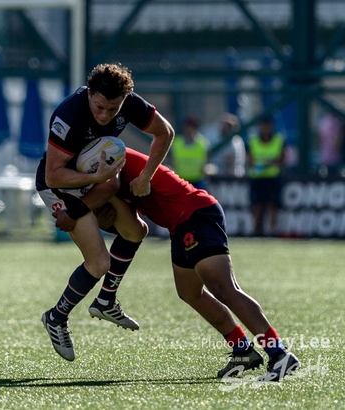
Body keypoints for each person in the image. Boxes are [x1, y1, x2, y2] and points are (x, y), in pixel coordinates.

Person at [55, 147, 301, 382]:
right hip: (179, 224)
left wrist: (79, 210)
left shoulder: (109, 155)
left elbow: (112, 187)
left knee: (223, 287)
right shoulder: (101, 164)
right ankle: (242, 350)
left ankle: (279, 354)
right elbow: (126, 210)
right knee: (189, 292)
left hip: (194, 213)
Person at [35, 63, 174, 361]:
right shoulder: (67, 115)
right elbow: (53, 176)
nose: (104, 115)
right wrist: (97, 186)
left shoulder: (130, 104)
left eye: (112, 110)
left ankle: (106, 299)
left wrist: (146, 177)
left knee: (136, 231)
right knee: (98, 262)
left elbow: (165, 133)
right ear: (90, 93)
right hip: (61, 187)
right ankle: (56, 317)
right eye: (99, 107)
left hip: (98, 183)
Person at [246, 116, 285, 237]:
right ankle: (256, 231)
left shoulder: (279, 140)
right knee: (257, 205)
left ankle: (272, 231)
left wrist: (264, 163)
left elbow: (282, 159)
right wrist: (269, 162)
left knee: (272, 205)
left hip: (272, 177)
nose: (266, 128)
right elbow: (250, 161)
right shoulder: (253, 141)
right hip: (257, 178)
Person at [170, 115, 210, 189]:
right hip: (181, 179)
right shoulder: (177, 142)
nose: (190, 129)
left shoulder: (202, 143)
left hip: (197, 180)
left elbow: (204, 162)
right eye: (188, 126)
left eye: (192, 127)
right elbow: (173, 161)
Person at [209, 113, 246, 178]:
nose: (224, 127)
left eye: (228, 126)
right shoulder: (215, 139)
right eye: (223, 125)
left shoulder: (236, 141)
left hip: (235, 177)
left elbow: (232, 159)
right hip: (218, 177)